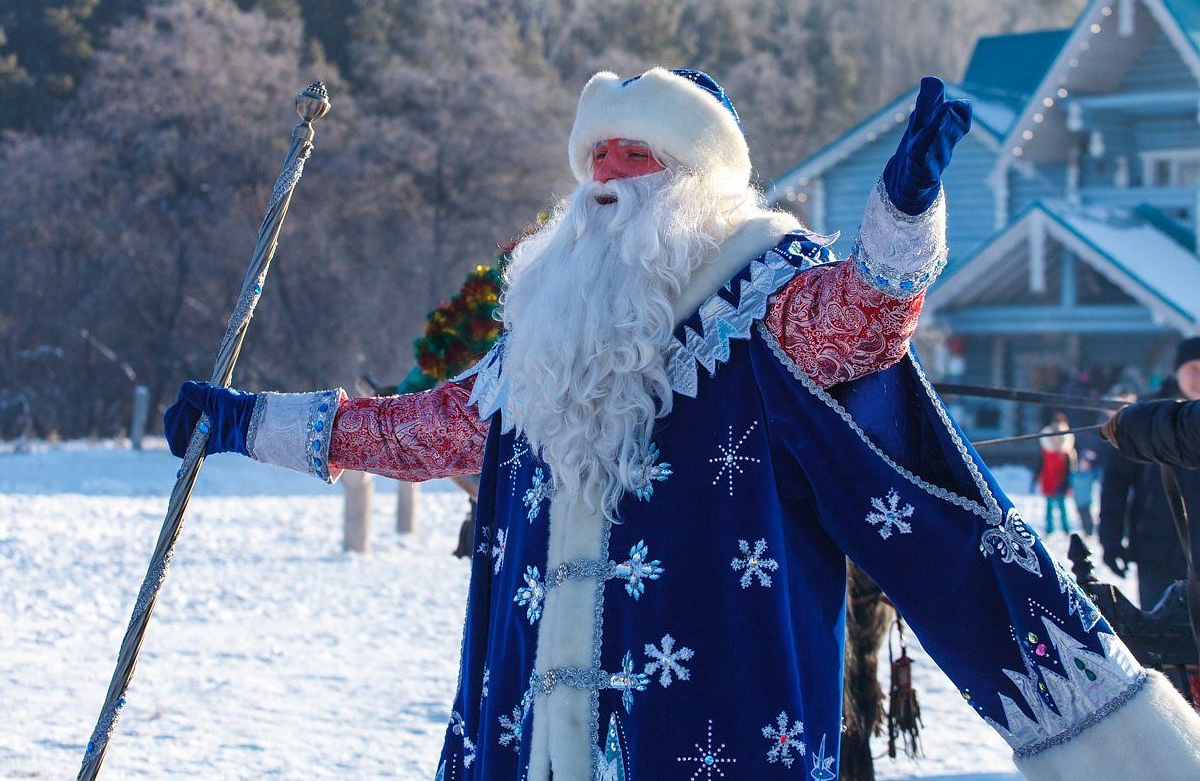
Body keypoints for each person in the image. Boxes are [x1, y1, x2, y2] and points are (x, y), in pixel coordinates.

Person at [167, 71, 1200, 779]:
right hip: (533, 735)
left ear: (695, 178)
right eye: (596, 158)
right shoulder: (543, 330)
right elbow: (413, 429)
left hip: (711, 716)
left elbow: (865, 322)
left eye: (636, 155)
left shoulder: (762, 298)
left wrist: (903, 213)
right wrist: (243, 420)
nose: (607, 177)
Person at [1100, 339, 1200, 611]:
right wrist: (1111, 539)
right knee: (1161, 642)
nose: (1199, 376)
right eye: (1193, 367)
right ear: (1177, 370)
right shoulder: (1144, 418)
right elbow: (1116, 483)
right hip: (1156, 551)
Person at [1101, 339, 1200, 468]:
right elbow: (1117, 475)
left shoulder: (1140, 415)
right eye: (1194, 368)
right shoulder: (1144, 409)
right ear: (1177, 371)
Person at [1036, 412, 1074, 535]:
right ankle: (1050, 529)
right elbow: (1041, 463)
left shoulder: (1067, 450)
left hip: (1062, 479)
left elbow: (1071, 466)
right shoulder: (1047, 446)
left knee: (1062, 506)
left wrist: (1069, 481)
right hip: (1049, 478)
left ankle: (1066, 529)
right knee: (1050, 506)